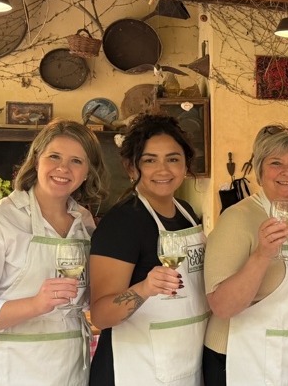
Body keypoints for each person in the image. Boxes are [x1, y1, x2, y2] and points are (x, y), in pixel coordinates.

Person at [0, 120, 109, 385]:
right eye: (54, 156)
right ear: (36, 160)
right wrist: (36, 304)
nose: (63, 168)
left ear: (88, 171)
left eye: (76, 161)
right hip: (5, 371)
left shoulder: (84, 222)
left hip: (68, 367)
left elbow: (89, 293)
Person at [88, 114, 208, 385]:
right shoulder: (123, 222)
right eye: (150, 160)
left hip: (185, 360)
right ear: (131, 167)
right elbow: (102, 315)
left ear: (186, 164)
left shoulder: (186, 212)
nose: (163, 170)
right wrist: (144, 288)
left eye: (173, 159)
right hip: (138, 369)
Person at [202, 124, 288, 386]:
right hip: (240, 358)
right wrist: (262, 255)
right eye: (275, 162)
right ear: (260, 169)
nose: (287, 172)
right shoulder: (237, 218)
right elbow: (221, 307)